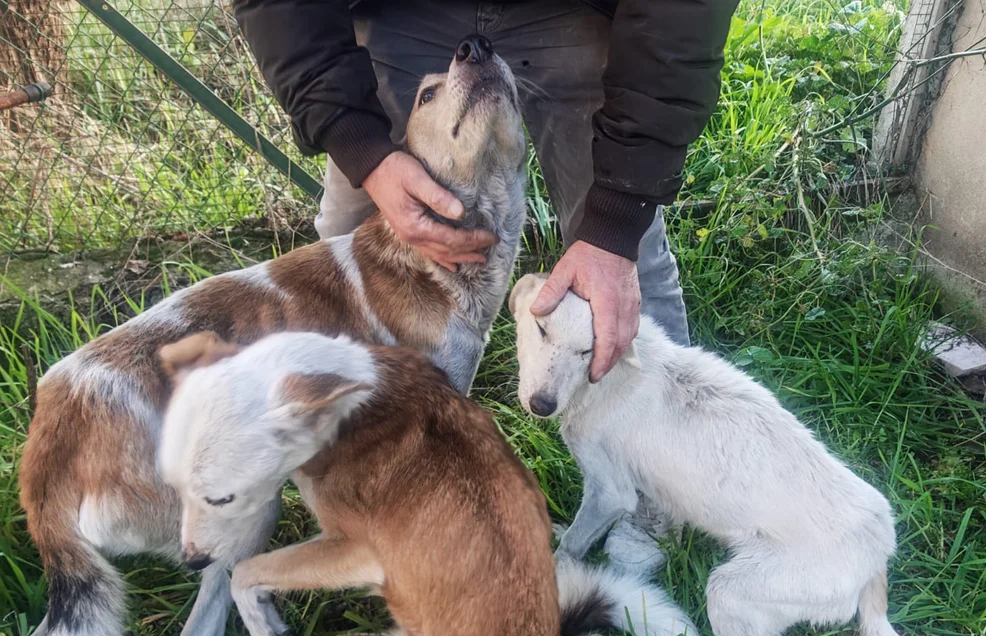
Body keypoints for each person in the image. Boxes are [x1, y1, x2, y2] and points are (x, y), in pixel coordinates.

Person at [234, 0, 738, 382]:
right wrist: (360, 146)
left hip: (574, 13)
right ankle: (336, 448)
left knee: (625, 261)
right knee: (343, 248)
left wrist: (619, 215)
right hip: (403, 12)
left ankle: (658, 484)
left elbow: (683, 14)